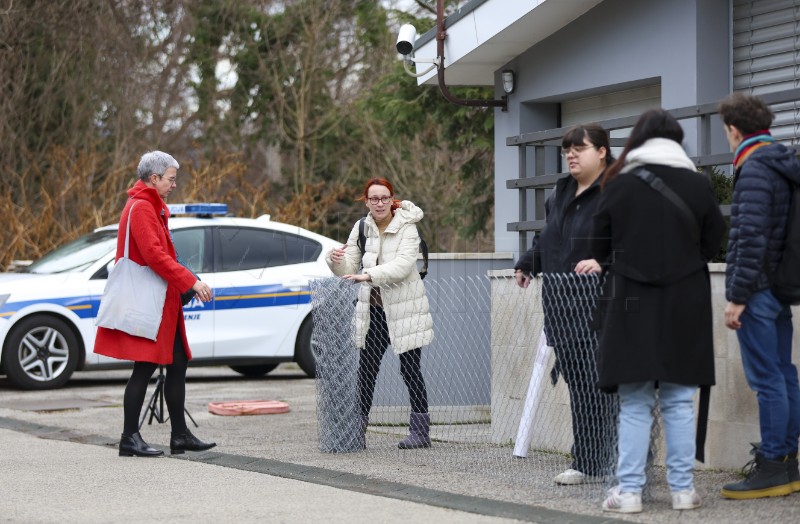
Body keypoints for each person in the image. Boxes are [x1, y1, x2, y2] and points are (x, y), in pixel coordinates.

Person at [590, 109, 725, 513]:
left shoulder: (618, 184)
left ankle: (629, 493)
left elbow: (598, 248)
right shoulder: (698, 184)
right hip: (685, 298)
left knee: (634, 401)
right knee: (680, 400)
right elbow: (714, 241)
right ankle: (683, 491)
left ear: (639, 140)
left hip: (631, 299)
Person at [514, 123, 619, 485]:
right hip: (562, 306)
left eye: (580, 148)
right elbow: (550, 238)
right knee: (579, 385)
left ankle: (616, 461)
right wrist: (530, 261)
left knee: (603, 385)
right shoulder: (561, 191)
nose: (571, 155)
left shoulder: (617, 190)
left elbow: (636, 241)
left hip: (605, 307)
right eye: (567, 150)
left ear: (602, 151)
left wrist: (606, 262)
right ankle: (587, 461)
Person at [94, 151, 216, 457]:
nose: (175, 184)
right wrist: (190, 281)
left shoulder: (149, 205)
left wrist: (184, 282)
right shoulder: (142, 207)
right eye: (171, 178)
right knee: (145, 367)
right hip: (152, 303)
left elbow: (160, 255)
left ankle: (179, 435)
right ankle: (129, 438)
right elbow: (154, 256)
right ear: (154, 178)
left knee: (177, 363)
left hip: (163, 301)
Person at [719, 93, 800, 499]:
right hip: (780, 287)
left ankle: (773, 466)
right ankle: (787, 461)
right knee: (784, 373)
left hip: (758, 291)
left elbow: (749, 237)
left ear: (734, 130)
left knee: (767, 379)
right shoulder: (782, 161)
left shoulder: (754, 168)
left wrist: (737, 296)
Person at [327, 178, 434, 449]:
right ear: (366, 201)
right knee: (366, 371)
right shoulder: (361, 227)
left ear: (392, 199)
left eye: (384, 198)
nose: (379, 203)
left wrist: (368, 275)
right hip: (373, 311)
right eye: (373, 198)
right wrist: (335, 261)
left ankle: (421, 433)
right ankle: (357, 432)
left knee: (410, 369)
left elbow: (402, 266)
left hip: (405, 309)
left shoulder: (407, 227)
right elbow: (350, 264)